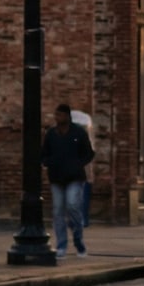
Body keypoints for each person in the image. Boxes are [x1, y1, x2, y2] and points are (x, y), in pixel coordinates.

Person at [43, 103, 96, 258]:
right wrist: (48, 162)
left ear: (67, 116)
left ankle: (78, 242)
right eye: (56, 115)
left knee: (73, 206)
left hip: (75, 177)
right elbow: (44, 153)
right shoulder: (51, 134)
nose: (56, 118)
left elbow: (89, 153)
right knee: (58, 211)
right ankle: (61, 245)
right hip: (56, 178)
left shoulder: (78, 133)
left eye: (59, 115)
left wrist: (78, 164)